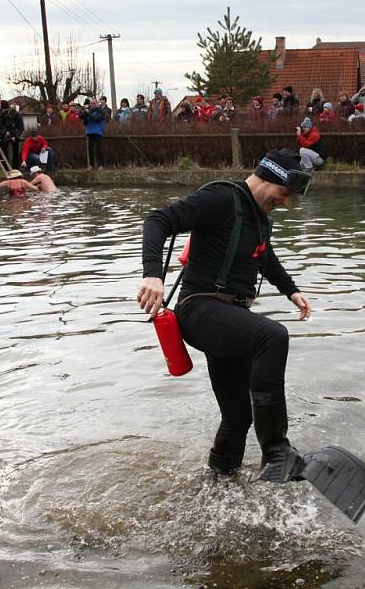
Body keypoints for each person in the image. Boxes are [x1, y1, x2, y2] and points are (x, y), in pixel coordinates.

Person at [137, 148, 313, 481]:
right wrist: (152, 274)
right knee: (272, 336)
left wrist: (291, 290)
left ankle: (218, 483)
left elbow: (266, 258)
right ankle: (277, 450)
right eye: (284, 193)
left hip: (229, 318)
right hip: (200, 308)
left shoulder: (260, 217)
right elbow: (158, 220)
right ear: (266, 178)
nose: (286, 202)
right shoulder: (220, 198)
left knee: (238, 416)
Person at [80, 98, 107, 171]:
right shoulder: (90, 111)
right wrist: (84, 115)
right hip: (89, 132)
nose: (92, 105)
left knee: (99, 149)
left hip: (98, 132)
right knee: (90, 150)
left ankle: (101, 165)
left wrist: (88, 113)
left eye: (94, 103)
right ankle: (91, 165)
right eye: (91, 104)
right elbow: (86, 122)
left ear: (97, 103)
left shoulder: (101, 111)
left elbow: (96, 119)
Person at [0, 102, 24, 169]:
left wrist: (16, 136)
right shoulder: (3, 113)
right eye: (10, 116)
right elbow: (0, 124)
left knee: (15, 151)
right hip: (5, 132)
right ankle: (5, 166)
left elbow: (21, 128)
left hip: (14, 132)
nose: (11, 118)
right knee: (4, 149)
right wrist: (5, 132)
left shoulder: (18, 116)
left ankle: (16, 167)